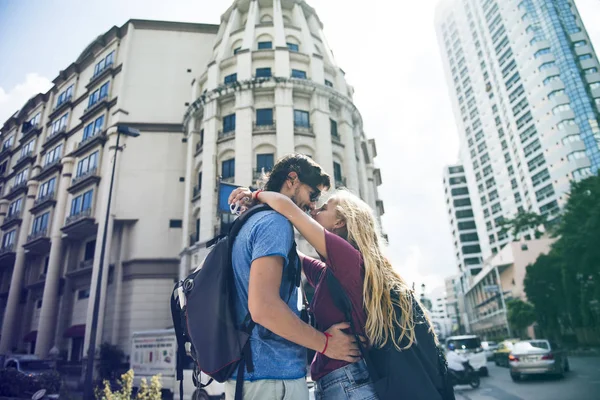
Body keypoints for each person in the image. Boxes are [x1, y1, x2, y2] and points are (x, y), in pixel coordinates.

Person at [229, 184, 437, 400]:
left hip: (349, 385)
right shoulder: (332, 273)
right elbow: (293, 253)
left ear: (339, 222)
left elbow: (287, 207)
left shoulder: (349, 259)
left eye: (324, 208)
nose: (315, 209)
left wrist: (253, 195)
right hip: (339, 384)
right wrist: (255, 217)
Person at [226, 154, 362, 400]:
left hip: (251, 376)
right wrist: (325, 343)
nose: (312, 206)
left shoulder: (254, 222)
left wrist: (255, 198)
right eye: (313, 196)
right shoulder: (274, 224)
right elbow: (264, 308)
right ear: (292, 180)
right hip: (274, 379)